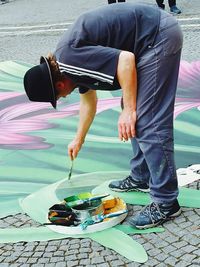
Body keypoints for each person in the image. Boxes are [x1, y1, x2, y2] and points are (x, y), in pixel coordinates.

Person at [23, 3, 183, 229]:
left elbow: (125, 60)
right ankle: (142, 176)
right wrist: (79, 138)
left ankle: (166, 202)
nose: (61, 99)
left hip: (157, 37)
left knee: (148, 120)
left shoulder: (70, 61)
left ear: (59, 84)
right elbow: (89, 102)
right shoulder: (68, 64)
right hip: (150, 35)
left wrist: (129, 110)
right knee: (136, 109)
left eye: (57, 97)